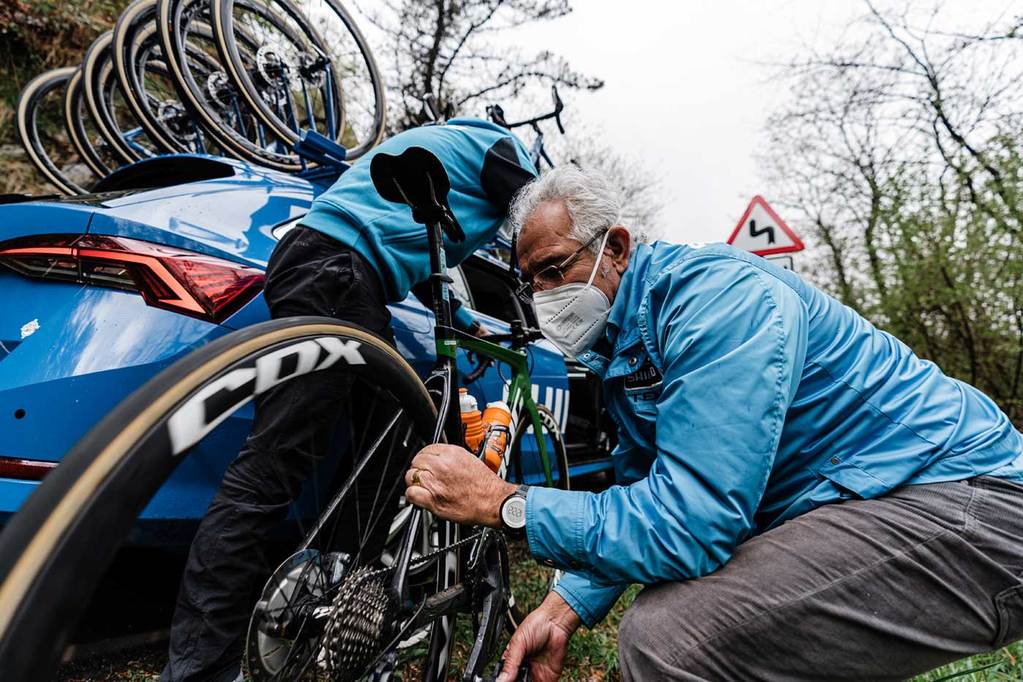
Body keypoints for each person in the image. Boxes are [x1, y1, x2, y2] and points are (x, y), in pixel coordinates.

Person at [403, 166, 1023, 681]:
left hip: (973, 507)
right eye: (530, 280)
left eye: (555, 268)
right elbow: (643, 497)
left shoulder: (717, 303)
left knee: (670, 637)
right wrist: (568, 605)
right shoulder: (625, 341)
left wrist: (507, 504)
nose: (541, 296)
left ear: (614, 248)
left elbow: (691, 524)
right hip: (880, 499)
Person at [161, 118, 536, 682]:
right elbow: (540, 215)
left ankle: (344, 602)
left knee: (392, 438)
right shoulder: (501, 149)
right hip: (337, 268)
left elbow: (420, 258)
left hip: (340, 270)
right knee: (273, 466)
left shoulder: (448, 157)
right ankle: (199, 671)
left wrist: (462, 319)